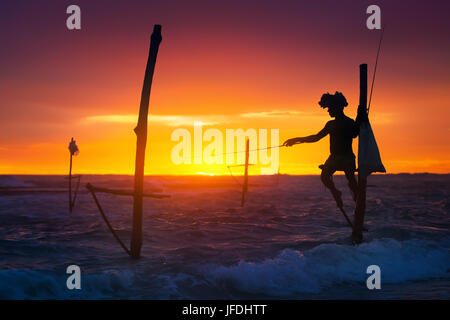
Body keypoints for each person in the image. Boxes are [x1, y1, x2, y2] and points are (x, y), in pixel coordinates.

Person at [283, 91, 359, 213]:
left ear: (337, 107)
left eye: (329, 108)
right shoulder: (330, 124)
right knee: (324, 177)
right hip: (333, 158)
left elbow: (355, 134)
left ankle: (357, 201)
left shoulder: (349, 122)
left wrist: (360, 118)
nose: (328, 111)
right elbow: (315, 138)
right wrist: (295, 140)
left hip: (347, 157)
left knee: (351, 178)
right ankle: (336, 192)